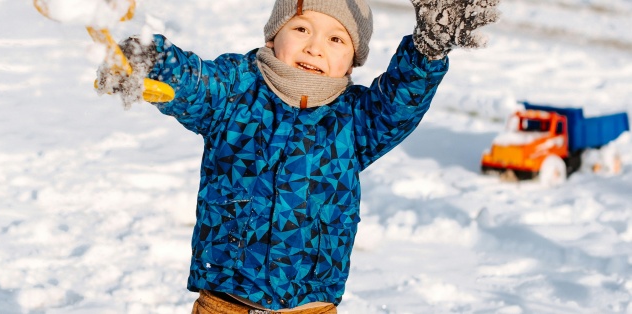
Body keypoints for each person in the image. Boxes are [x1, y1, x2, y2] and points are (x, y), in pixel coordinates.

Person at [97, 0, 500, 312]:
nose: (314, 46)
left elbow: (399, 104)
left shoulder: (355, 120)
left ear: (353, 60)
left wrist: (426, 50)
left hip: (311, 307)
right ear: (274, 36)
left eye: (336, 39)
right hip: (224, 303)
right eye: (302, 27)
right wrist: (150, 60)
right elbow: (195, 81)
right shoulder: (236, 90)